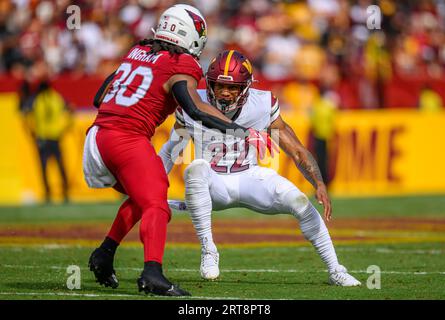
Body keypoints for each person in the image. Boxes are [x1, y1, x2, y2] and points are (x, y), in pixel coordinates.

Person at [82, 4, 274, 297]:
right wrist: (243, 132)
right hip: (127, 139)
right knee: (158, 202)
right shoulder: (181, 63)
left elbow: (99, 96)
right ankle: (152, 273)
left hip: (98, 136)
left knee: (141, 196)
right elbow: (195, 110)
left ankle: (104, 254)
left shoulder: (138, 51)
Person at [160, 50, 361, 286]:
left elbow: (296, 150)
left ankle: (336, 269)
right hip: (213, 184)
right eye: (218, 86)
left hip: (249, 177)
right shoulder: (194, 103)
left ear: (246, 87)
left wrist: (318, 183)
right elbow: (171, 150)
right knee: (195, 168)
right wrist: (149, 187)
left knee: (299, 201)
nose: (225, 93)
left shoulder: (261, 104)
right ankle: (208, 250)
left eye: (233, 87)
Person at [23, 78, 72, 203]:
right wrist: (65, 128)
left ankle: (47, 193)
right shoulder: (56, 97)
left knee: (44, 167)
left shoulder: (35, 99)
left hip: (42, 138)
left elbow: (25, 114)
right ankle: (65, 192)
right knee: (60, 166)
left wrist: (31, 132)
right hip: (55, 137)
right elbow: (70, 109)